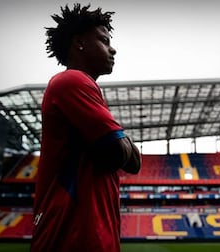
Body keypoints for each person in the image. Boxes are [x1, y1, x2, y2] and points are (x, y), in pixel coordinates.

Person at [30, 3, 141, 252]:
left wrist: (119, 144)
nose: (113, 49)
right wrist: (119, 141)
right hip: (72, 239)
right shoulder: (71, 81)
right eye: (104, 40)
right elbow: (121, 154)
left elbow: (134, 162)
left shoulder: (85, 89)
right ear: (80, 43)